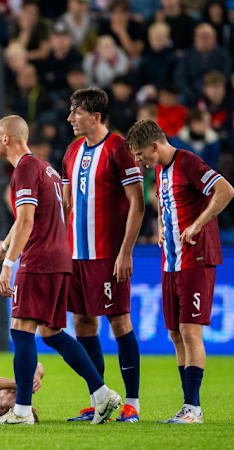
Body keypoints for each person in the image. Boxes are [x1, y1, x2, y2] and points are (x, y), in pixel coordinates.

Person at [0, 115, 121, 425]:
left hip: (40, 259)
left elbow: (29, 220)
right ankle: (101, 394)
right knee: (52, 332)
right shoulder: (45, 168)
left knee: (21, 330)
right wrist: (6, 243)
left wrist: (8, 266)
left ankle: (20, 412)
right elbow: (33, 217)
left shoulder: (24, 169)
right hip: (61, 257)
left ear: (7, 138)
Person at [126, 118, 234, 424]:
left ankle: (193, 408)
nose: (140, 161)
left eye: (140, 155)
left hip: (196, 258)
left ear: (154, 145)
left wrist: (198, 224)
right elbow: (166, 204)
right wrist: (162, 226)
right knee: (175, 333)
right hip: (171, 260)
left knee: (190, 330)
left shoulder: (187, 161)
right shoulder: (161, 171)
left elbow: (226, 190)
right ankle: (188, 406)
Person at [62, 88, 145, 422]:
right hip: (75, 255)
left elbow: (138, 203)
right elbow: (67, 203)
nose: (70, 118)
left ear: (96, 116)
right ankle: (101, 400)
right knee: (82, 323)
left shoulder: (119, 149)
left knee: (119, 321)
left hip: (107, 255)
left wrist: (125, 251)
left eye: (76, 112)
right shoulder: (70, 151)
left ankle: (133, 404)